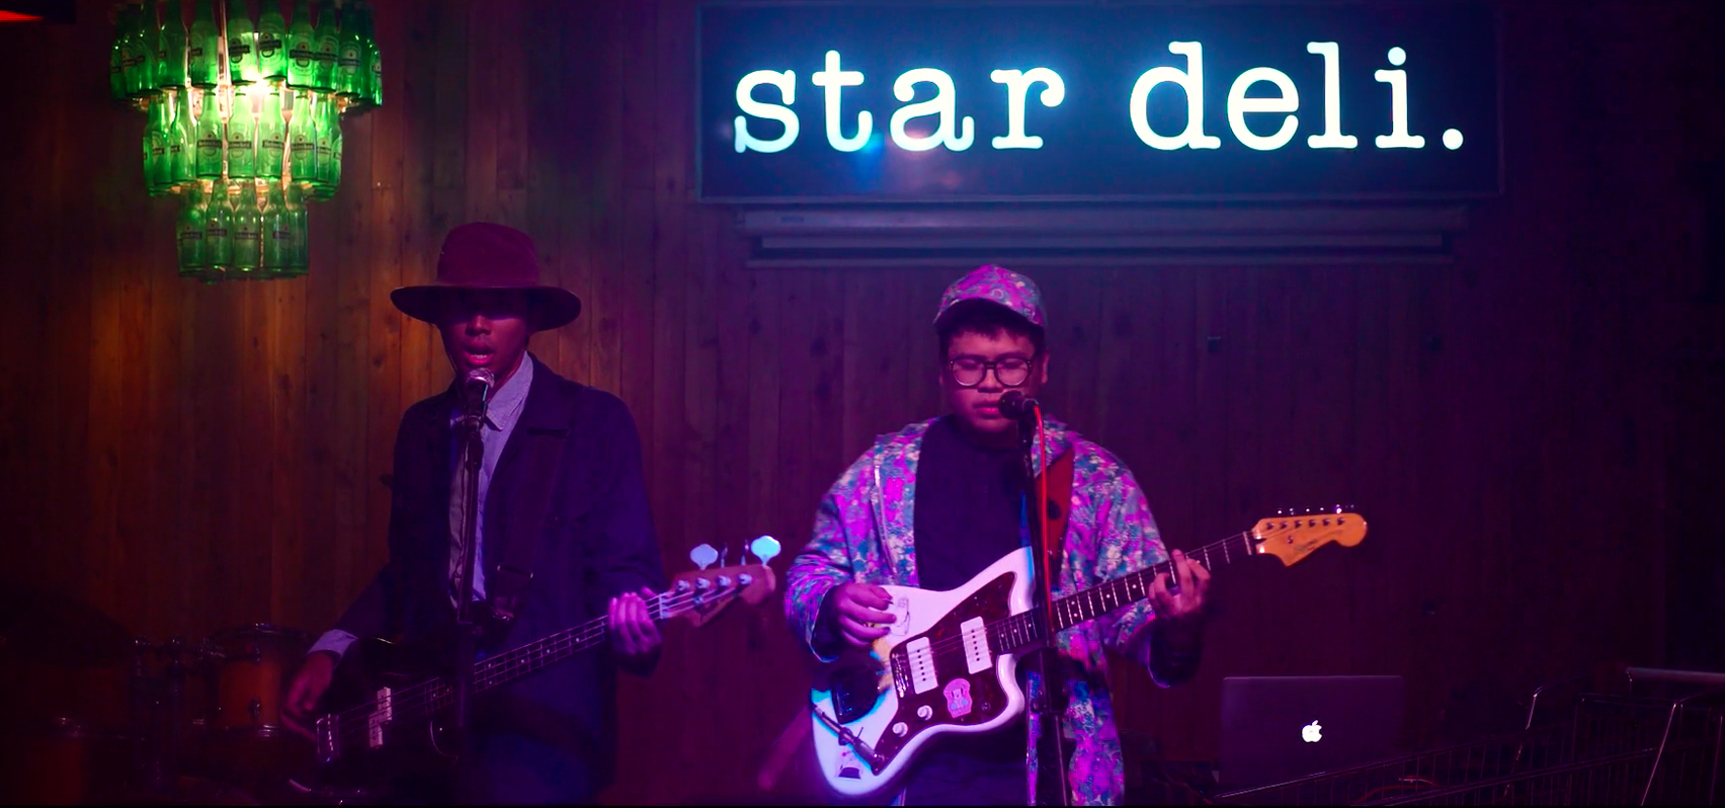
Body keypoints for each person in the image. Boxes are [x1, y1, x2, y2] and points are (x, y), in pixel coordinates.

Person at [783, 265, 1211, 806]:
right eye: (969, 365)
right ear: (943, 372)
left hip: (1053, 768)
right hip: (914, 768)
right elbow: (809, 573)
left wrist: (1180, 630)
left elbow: (1142, 630)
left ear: (1042, 368)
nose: (989, 383)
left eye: (1009, 364)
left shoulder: (1097, 481)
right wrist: (829, 603)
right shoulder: (883, 471)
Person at [282, 222, 667, 805]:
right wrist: (333, 646)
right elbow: (409, 570)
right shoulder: (422, 428)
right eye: (462, 306)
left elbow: (627, 566)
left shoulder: (593, 423)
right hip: (429, 727)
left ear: (530, 320)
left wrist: (638, 630)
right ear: (440, 318)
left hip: (545, 732)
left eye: (500, 307)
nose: (478, 324)